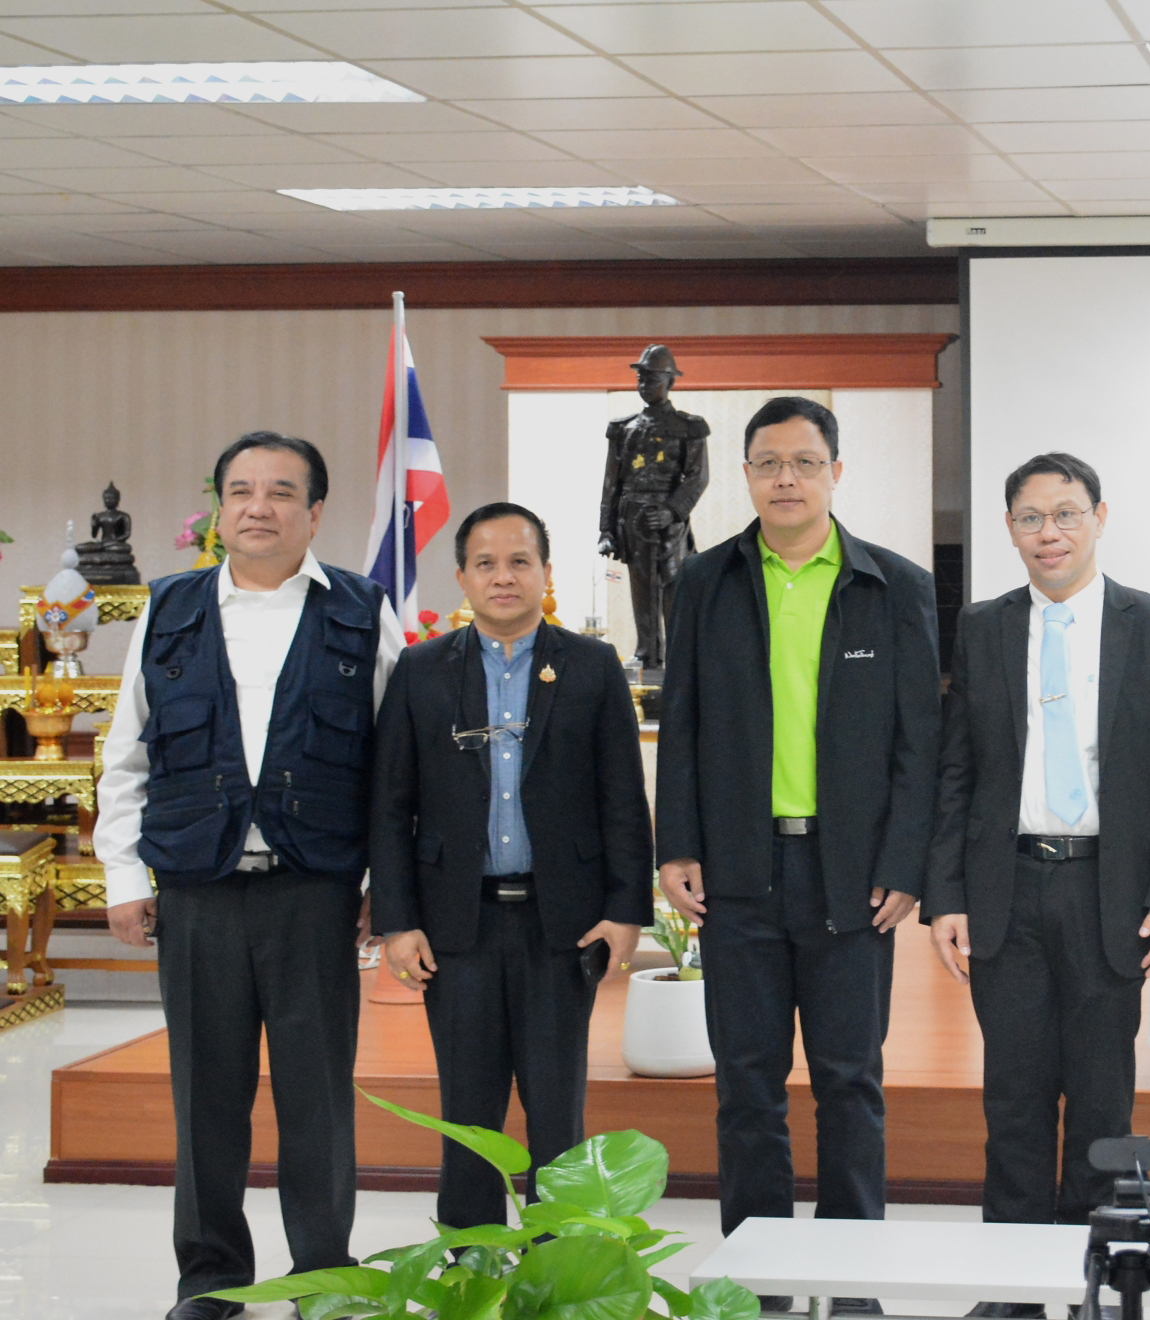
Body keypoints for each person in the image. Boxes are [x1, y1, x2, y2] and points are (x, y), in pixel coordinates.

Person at [94, 432, 405, 1320]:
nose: (257, 507)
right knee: (205, 1096)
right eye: (240, 490)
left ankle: (323, 1278)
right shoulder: (171, 607)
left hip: (315, 891)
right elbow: (127, 752)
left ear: (315, 511)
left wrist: (387, 885)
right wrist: (123, 874)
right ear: (220, 508)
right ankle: (211, 1279)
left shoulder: (361, 610)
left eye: (280, 491)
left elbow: (396, 765)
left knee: (318, 1096)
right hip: (198, 888)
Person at [654, 396, 940, 1305]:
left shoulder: (894, 586)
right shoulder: (705, 582)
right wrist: (677, 843)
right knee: (747, 1085)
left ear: (836, 474)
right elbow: (682, 723)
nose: (787, 479)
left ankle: (852, 1279)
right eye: (769, 463)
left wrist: (905, 863)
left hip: (851, 876)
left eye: (806, 463)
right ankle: (757, 1280)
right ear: (745, 476)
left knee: (850, 1082)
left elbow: (919, 744)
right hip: (739, 871)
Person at [926, 453, 1150, 1316]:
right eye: (1031, 518)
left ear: (1098, 518)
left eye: (1066, 514)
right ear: (1010, 529)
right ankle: (1011, 1289)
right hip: (1006, 886)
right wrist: (947, 895)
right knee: (1013, 1098)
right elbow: (957, 769)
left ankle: (1096, 1281)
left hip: (1108, 893)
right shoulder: (983, 626)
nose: (1050, 533)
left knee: (1101, 1102)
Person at [370, 501, 655, 1230]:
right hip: (455, 927)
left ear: (545, 573)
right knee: (468, 1115)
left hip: (562, 926)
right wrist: (397, 922)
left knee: (558, 1111)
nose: (504, 577)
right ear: (462, 576)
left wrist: (626, 911)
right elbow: (390, 805)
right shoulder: (422, 669)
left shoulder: (590, 666)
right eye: (486, 563)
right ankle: (470, 1264)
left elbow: (623, 799)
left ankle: (558, 1268)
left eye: (520, 561)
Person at [598, 344, 709, 672]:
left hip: (669, 522)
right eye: (641, 379)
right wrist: (606, 530)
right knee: (642, 587)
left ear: (670, 382)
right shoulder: (624, 428)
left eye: (653, 379)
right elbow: (611, 483)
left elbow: (698, 477)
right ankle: (647, 653)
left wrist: (672, 511)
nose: (645, 385)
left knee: (674, 587)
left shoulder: (689, 427)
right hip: (632, 519)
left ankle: (677, 657)